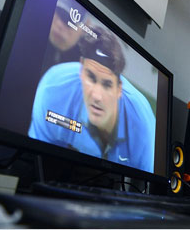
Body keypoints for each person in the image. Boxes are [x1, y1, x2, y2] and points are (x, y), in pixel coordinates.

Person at [29, 26, 156, 173]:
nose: (96, 96)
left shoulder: (143, 125)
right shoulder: (54, 89)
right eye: (91, 77)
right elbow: (33, 158)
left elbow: (146, 186)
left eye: (107, 84)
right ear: (81, 69)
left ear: (119, 88)